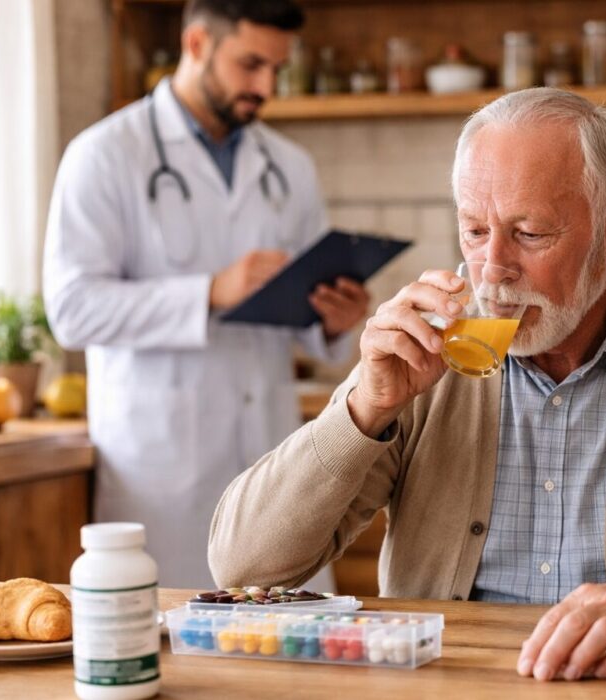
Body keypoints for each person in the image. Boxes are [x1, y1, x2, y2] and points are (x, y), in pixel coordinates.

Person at [209, 88, 606, 681]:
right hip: (448, 686)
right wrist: (362, 410)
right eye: (475, 230)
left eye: (530, 233)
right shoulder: (429, 346)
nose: (493, 270)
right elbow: (243, 567)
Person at [43, 0, 369, 589]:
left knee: (295, 659)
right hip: (162, 472)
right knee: (177, 660)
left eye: (277, 68)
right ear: (197, 45)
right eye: (250, 65)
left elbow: (307, 321)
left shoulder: (287, 166)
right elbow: (70, 308)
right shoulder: (105, 155)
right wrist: (208, 293)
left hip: (274, 470)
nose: (265, 86)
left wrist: (331, 320)